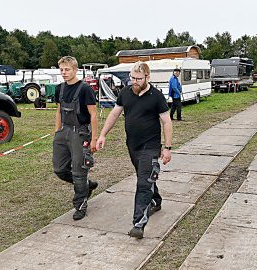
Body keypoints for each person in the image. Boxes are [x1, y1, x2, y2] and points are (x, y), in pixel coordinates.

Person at [96, 61, 173, 239]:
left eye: (139, 78)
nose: (135, 81)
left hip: (151, 146)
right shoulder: (126, 92)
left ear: (148, 77)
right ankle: (156, 200)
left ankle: (138, 224)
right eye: (132, 78)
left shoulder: (156, 96)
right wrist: (102, 135)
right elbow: (114, 114)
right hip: (133, 146)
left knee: (143, 183)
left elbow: (167, 122)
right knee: (145, 177)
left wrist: (167, 148)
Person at [53, 56, 98, 221]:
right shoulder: (60, 89)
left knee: (79, 172)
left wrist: (93, 139)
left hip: (80, 133)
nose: (64, 73)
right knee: (59, 169)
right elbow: (58, 111)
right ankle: (86, 185)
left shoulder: (85, 89)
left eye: (67, 70)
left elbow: (93, 114)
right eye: (62, 70)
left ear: (75, 70)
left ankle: (80, 205)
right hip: (64, 131)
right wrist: (57, 132)